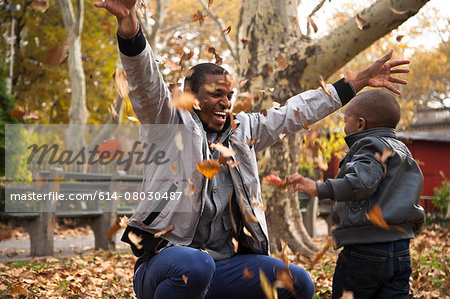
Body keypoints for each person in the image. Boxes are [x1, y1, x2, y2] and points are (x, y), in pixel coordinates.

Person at [94, 1, 412, 298]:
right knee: (195, 267)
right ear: (189, 94)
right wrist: (129, 24)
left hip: (225, 266)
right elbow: (146, 84)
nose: (226, 101)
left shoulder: (243, 129)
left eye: (229, 94)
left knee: (299, 282)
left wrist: (353, 83)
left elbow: (294, 112)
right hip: (165, 264)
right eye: (216, 93)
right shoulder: (167, 124)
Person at [289, 89, 425, 299]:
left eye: (346, 120)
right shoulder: (403, 151)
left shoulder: (369, 146)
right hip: (400, 249)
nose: (344, 126)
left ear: (361, 124)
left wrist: (319, 188)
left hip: (365, 249)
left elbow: (360, 184)